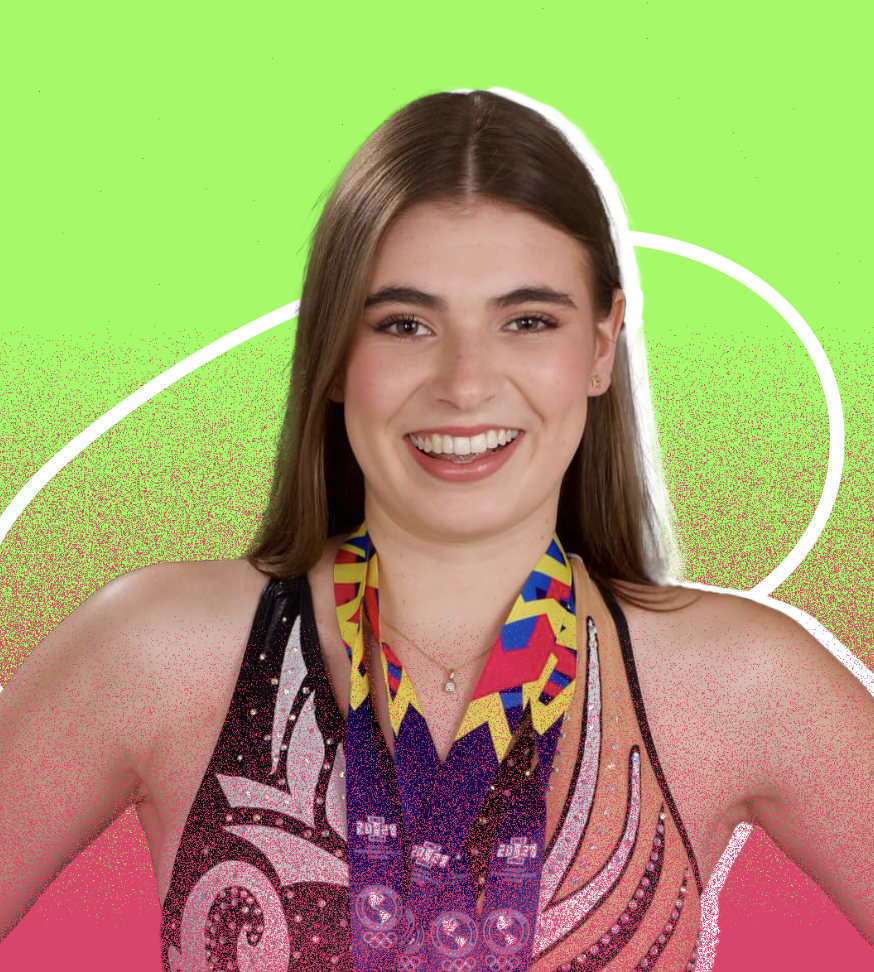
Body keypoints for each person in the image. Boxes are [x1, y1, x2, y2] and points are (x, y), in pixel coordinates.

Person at [1, 88, 872, 972]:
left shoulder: (742, 684)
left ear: (603, 344)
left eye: (527, 321)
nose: (464, 383)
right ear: (336, 352)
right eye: (405, 324)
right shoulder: (160, 652)